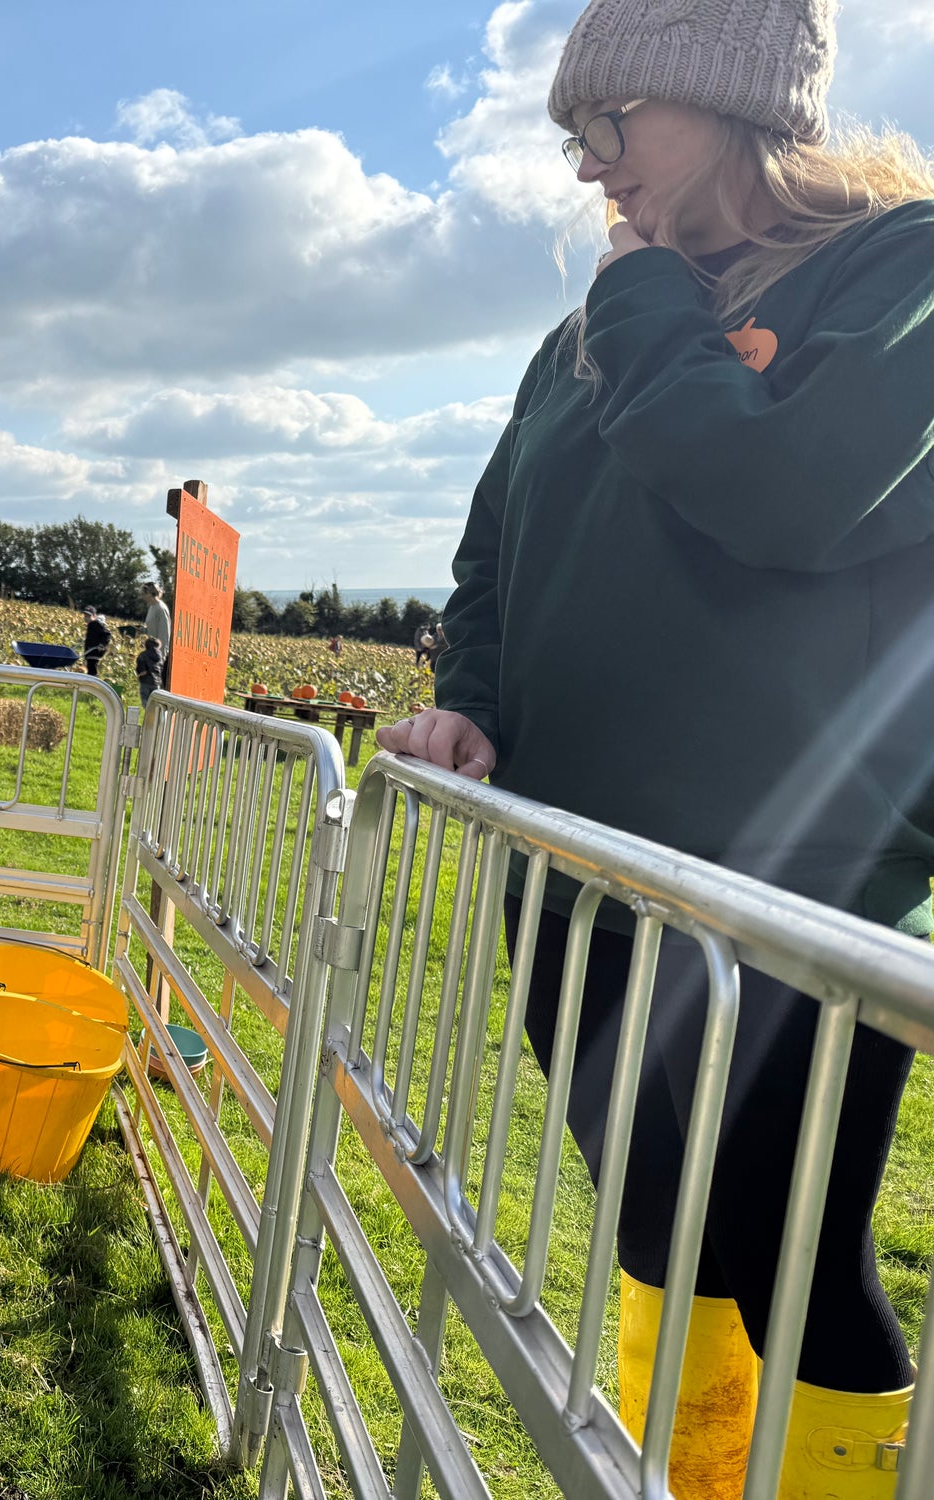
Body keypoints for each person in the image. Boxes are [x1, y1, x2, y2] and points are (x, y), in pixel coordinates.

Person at [376, 5, 934, 1496]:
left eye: (610, 127)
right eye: (575, 138)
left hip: (800, 892)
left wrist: (638, 310)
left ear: (733, 97)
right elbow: (492, 552)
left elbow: (791, 490)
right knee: (647, 1221)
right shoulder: (582, 342)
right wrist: (471, 698)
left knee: (786, 1255)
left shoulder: (901, 268)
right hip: (580, 866)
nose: (588, 173)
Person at [141, 582, 172, 689]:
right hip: (151, 652)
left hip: (158, 654)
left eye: (144, 593)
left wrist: (160, 657)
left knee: (159, 685)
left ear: (150, 593)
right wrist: (142, 630)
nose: (143, 596)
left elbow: (164, 634)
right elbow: (152, 628)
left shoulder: (161, 608)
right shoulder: (152, 607)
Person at [134, 635, 165, 710]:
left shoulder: (142, 655)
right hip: (157, 682)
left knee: (145, 701)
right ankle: (155, 716)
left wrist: (140, 674)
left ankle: (148, 715)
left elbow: (142, 671)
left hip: (145, 682)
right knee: (155, 702)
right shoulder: (160, 657)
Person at [80, 607, 113, 676]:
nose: (86, 618)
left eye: (88, 616)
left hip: (95, 652)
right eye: (85, 616)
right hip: (90, 652)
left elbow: (107, 634)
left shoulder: (96, 624)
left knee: (92, 670)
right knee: (90, 669)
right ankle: (91, 683)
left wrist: (102, 645)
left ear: (94, 616)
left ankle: (93, 683)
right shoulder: (91, 625)